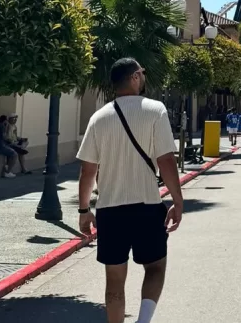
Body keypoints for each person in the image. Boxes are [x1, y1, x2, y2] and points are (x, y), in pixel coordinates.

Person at [77, 58, 183, 323]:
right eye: (142, 74)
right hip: (147, 207)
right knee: (156, 267)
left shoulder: (98, 118)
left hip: (110, 211)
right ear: (135, 77)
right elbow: (166, 160)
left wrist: (83, 210)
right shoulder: (155, 110)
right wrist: (178, 201)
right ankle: (143, 320)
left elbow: (87, 171)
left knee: (114, 278)